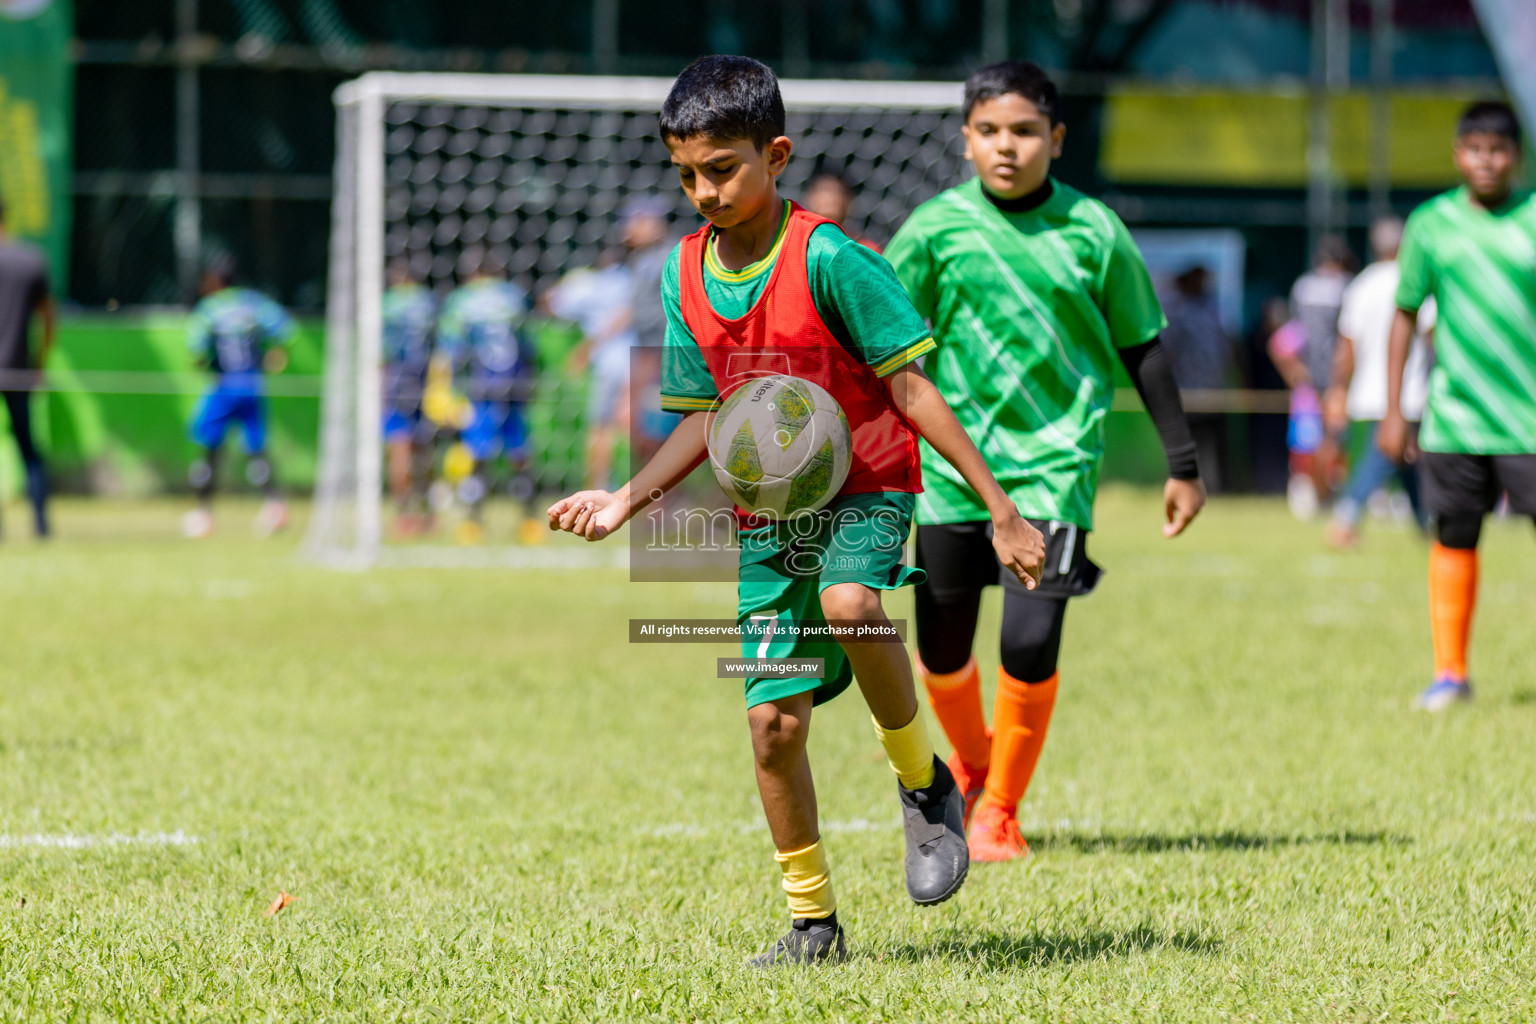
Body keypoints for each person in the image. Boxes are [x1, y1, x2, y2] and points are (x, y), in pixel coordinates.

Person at [545, 55, 1046, 966]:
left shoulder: (833, 260)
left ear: (775, 155)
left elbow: (915, 393)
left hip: (868, 487)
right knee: (770, 725)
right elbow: (704, 422)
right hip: (771, 517)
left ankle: (924, 784)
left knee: (854, 605)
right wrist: (624, 500)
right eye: (686, 174)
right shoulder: (683, 273)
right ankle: (813, 925)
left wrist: (1001, 511)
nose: (704, 191)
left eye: (723, 168)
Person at [885, 60, 1206, 864]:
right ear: (965, 140)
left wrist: (1183, 462)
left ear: (1056, 140)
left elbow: (1143, 345)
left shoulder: (1095, 231)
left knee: (1029, 645)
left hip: (1056, 468)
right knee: (943, 653)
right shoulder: (932, 231)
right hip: (953, 473)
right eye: (990, 131)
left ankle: (999, 811)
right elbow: (884, 353)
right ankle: (975, 765)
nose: (1007, 146)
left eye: (1025, 131)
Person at [1378, 100, 1536, 712]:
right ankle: (1451, 673)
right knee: (1455, 536)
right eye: (1474, 148)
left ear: (1516, 156)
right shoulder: (1431, 224)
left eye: (1498, 150)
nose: (1486, 161)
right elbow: (1404, 313)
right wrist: (1395, 410)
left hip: (1529, 420)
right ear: (1457, 154)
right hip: (1456, 416)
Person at [1322, 216, 1433, 549]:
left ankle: (1427, 525)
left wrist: (1338, 389)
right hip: (1407, 392)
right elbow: (1432, 336)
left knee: (1406, 461)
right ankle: (1346, 516)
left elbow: (1346, 347)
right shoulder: (1414, 280)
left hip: (1368, 391)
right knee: (1384, 456)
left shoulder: (1360, 285)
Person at [183, 254, 293, 539]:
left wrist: (202, 363)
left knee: (210, 449)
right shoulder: (254, 304)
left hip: (224, 387)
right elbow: (286, 330)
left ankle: (203, 513)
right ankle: (275, 507)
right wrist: (276, 355)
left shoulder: (210, 309)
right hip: (253, 386)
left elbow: (195, 350)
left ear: (215, 280)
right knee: (256, 449)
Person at [436, 251, 539, 545]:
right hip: (514, 387)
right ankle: (530, 521)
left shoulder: (461, 301)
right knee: (519, 454)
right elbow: (528, 344)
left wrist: (453, 389)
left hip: (481, 388)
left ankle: (474, 523)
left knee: (478, 456)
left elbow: (452, 349)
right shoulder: (513, 297)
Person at [1275, 236, 1356, 515]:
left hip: (1307, 379)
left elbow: (1285, 341)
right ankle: (1330, 495)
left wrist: (1295, 373)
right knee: (1335, 441)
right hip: (1339, 379)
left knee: (1306, 442)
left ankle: (1305, 494)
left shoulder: (1302, 287)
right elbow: (1349, 339)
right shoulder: (1347, 287)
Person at [0, 199, 54, 540]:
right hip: (19, 371)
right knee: (28, 449)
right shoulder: (30, 260)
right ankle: (40, 523)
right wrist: (40, 362)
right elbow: (49, 318)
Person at [1159, 263, 1239, 492]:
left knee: (1218, 445)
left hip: (1215, 390)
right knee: (1191, 445)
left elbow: (1226, 347)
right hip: (1188, 392)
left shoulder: (1213, 309)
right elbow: (1167, 350)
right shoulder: (1175, 311)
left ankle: (1221, 490)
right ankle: (1187, 488)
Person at [382, 259, 439, 536]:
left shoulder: (387, 303)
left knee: (399, 446)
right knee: (424, 447)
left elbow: (381, 350)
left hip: (397, 380)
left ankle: (404, 514)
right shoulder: (428, 302)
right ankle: (427, 513)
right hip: (425, 381)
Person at [801, 172, 880, 251]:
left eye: (837, 191)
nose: (830, 197)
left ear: (848, 201)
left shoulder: (864, 248)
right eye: (825, 190)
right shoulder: (798, 241)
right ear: (809, 199)